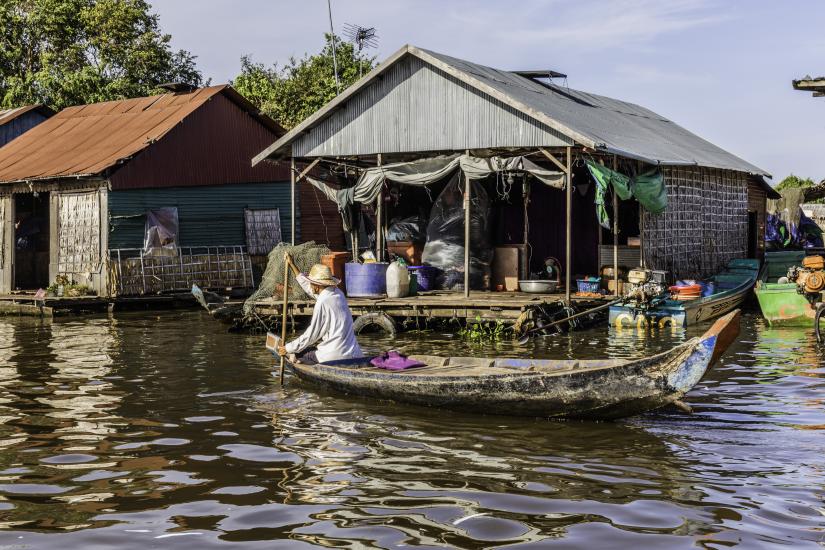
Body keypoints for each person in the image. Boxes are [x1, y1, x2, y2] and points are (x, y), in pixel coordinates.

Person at [277, 253, 362, 364]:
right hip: (353, 353)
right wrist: (292, 264)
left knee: (297, 354)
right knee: (308, 347)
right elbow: (308, 287)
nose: (310, 286)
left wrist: (288, 348)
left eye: (312, 283)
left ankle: (296, 360)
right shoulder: (338, 293)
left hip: (334, 356)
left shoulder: (322, 302)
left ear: (317, 286)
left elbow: (311, 335)